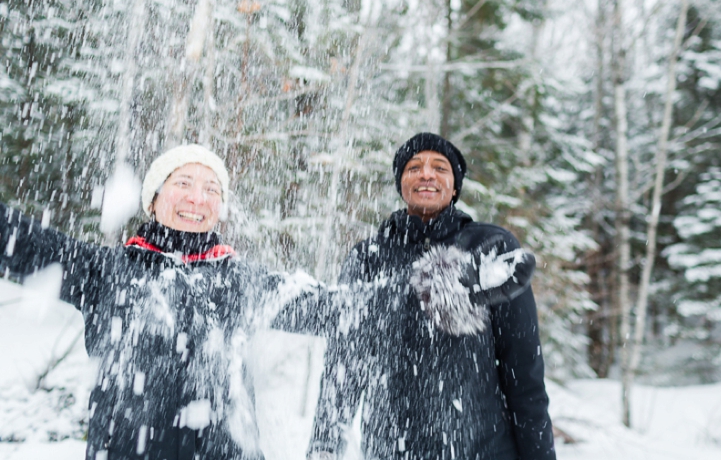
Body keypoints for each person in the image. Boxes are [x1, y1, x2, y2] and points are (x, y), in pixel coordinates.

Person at [0, 143, 528, 460]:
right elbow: (17, 241)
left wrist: (441, 285)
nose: (196, 197)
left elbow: (345, 307)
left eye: (211, 189)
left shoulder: (245, 282)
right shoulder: (107, 271)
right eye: (183, 183)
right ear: (155, 198)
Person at [308, 132, 557, 460]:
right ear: (401, 185)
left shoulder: (490, 247)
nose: (426, 173)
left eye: (440, 167)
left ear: (455, 187)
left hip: (482, 449)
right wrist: (325, 445)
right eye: (414, 168)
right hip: (390, 449)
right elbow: (344, 364)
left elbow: (523, 371)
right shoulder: (369, 257)